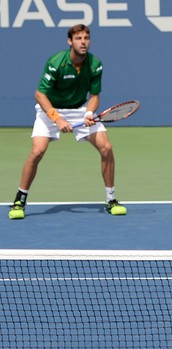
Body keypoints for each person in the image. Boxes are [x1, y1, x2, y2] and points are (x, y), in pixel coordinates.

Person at [8, 24, 126, 220]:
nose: (83, 42)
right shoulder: (56, 62)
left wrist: (89, 113)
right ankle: (20, 199)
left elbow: (95, 95)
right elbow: (40, 94)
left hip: (79, 109)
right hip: (50, 110)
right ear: (70, 41)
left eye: (86, 38)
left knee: (106, 147)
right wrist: (57, 118)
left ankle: (111, 199)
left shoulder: (95, 64)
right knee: (37, 151)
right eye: (78, 38)